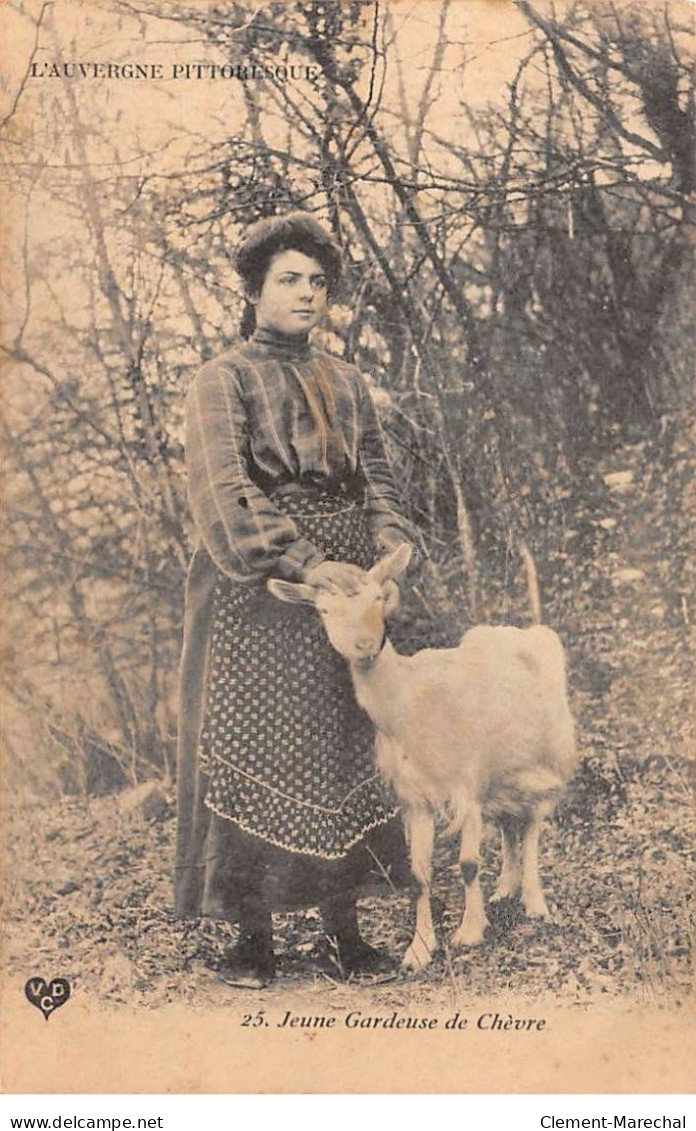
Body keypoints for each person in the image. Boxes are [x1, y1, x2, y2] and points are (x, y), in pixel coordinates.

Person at [174, 211, 416, 988]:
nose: (307, 294)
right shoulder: (224, 377)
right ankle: (253, 940)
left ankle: (345, 933)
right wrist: (308, 564)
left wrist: (386, 554)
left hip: (349, 587)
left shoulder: (346, 381)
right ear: (254, 291)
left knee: (344, 745)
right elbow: (226, 492)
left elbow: (378, 475)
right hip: (261, 586)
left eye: (317, 281)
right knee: (259, 747)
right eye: (289, 279)